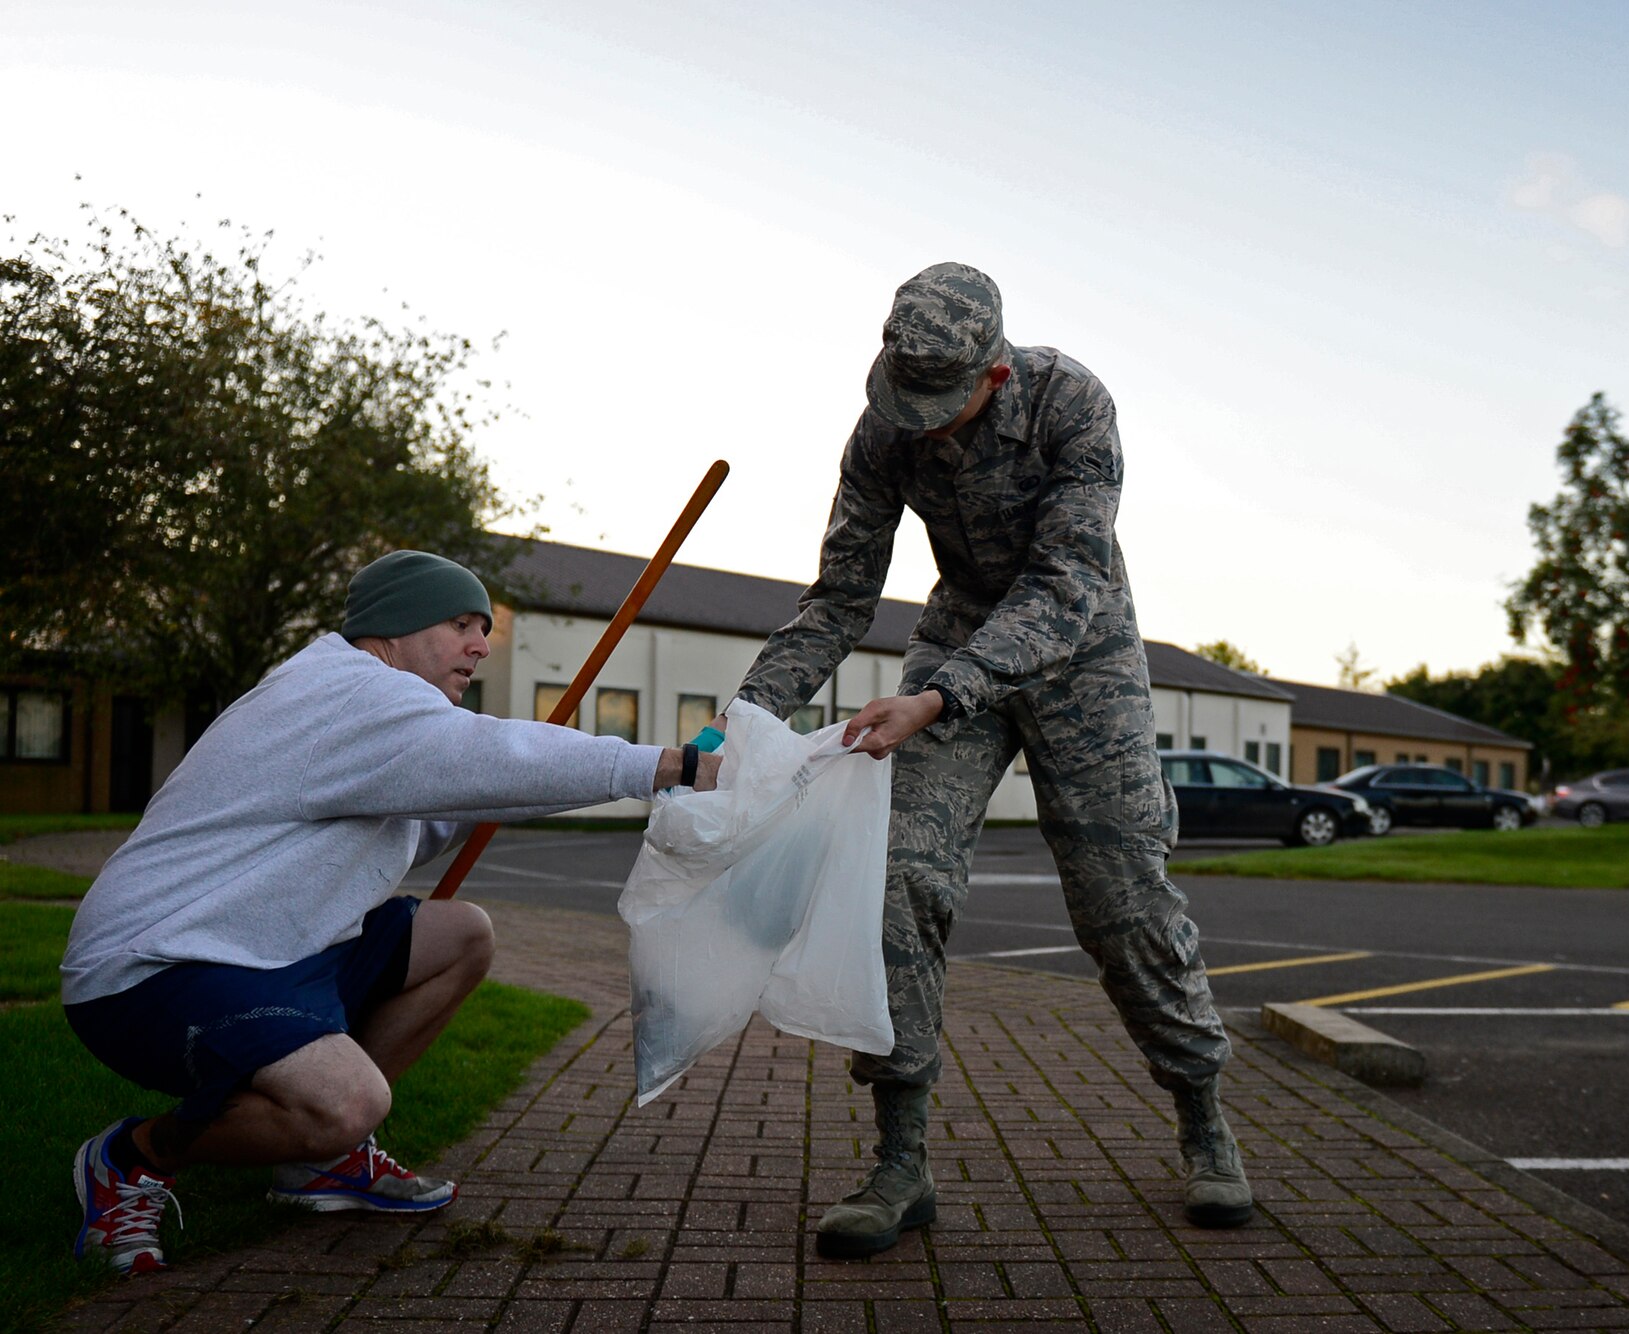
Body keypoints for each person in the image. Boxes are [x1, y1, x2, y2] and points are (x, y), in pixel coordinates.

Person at [728, 263, 1251, 1258]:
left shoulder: (1071, 402)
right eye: (905, 402)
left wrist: (933, 695)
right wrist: (743, 717)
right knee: (893, 871)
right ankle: (900, 1157)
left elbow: (1063, 586)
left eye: (941, 405)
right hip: (957, 632)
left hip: (1082, 651)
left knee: (1122, 901)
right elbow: (839, 597)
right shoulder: (883, 430)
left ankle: (1201, 1116)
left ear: (994, 376)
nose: (920, 426)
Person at [61, 549, 721, 1276]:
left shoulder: (373, 709)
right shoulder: (350, 695)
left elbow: (441, 802)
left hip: (270, 945)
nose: (481, 643)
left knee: (462, 933)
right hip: (156, 964)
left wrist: (486, 797)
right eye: (461, 624)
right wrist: (672, 765)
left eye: (484, 627)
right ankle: (132, 1157)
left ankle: (321, 1164)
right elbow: (499, 753)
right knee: (345, 1101)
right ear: (395, 628)